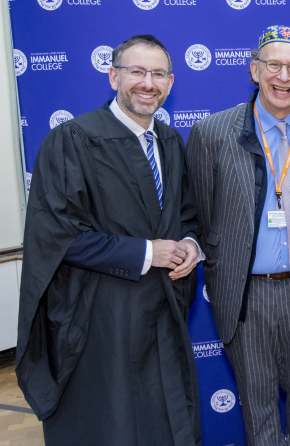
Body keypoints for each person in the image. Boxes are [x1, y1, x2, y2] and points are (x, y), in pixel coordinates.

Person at [16, 34, 204, 446]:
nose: (147, 83)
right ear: (113, 76)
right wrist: (146, 252)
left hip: (163, 306)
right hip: (100, 312)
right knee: (110, 421)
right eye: (136, 71)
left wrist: (190, 244)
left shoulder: (170, 144)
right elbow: (57, 235)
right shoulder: (73, 140)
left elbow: (187, 214)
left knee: (166, 417)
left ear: (171, 83)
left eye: (157, 74)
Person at [186, 25, 290, 446]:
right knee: (257, 405)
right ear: (253, 70)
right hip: (245, 296)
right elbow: (202, 217)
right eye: (273, 65)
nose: (283, 76)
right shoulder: (212, 133)